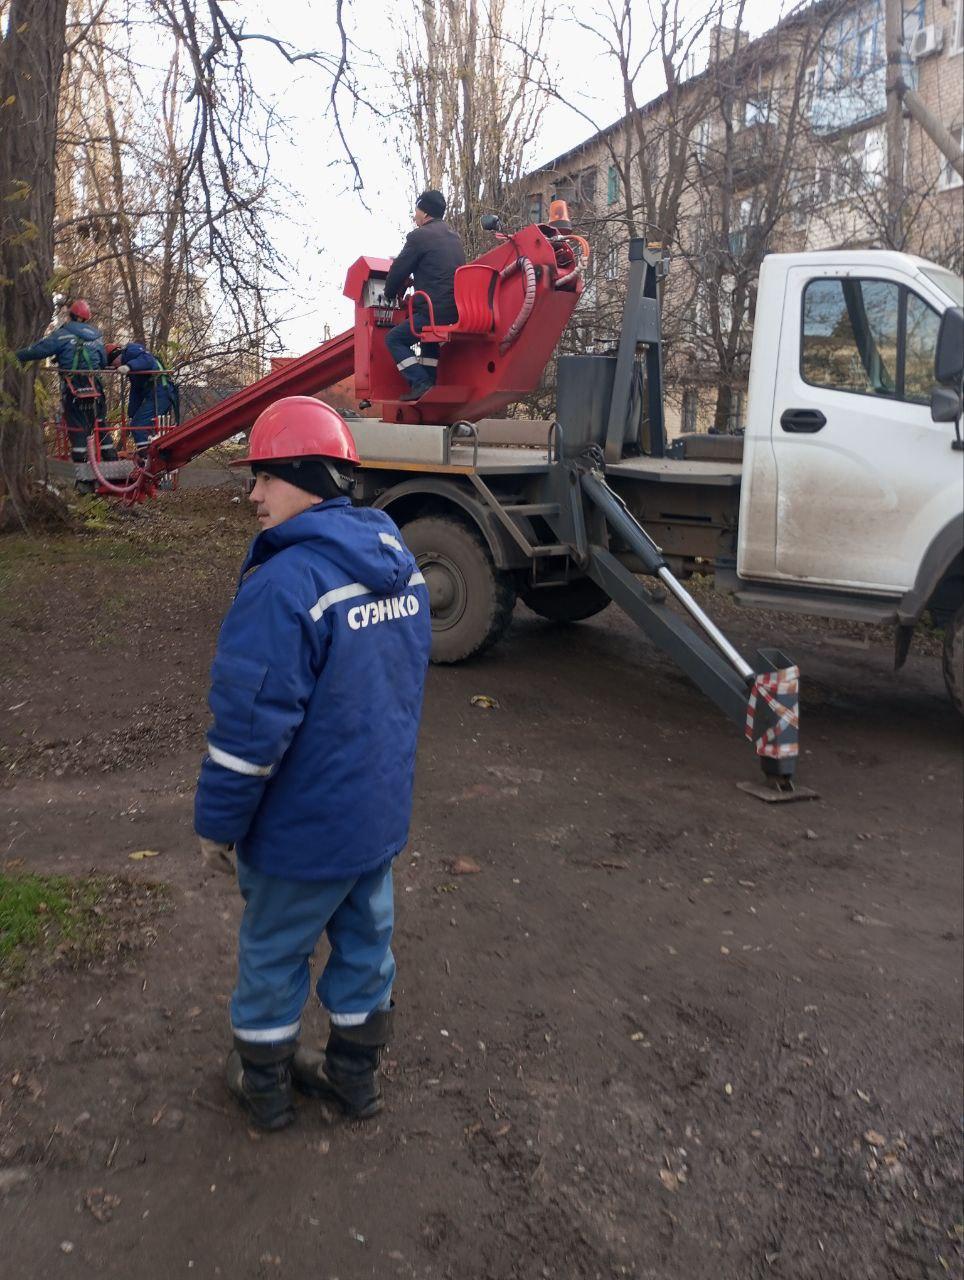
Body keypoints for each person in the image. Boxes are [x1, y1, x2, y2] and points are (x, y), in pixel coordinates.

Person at [194, 395, 432, 1132]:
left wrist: (218, 826)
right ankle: (353, 1082)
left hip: (301, 833)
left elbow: (248, 732)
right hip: (374, 823)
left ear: (310, 478)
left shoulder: (284, 586)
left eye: (267, 477)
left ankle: (263, 1089)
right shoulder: (403, 571)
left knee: (273, 954)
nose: (253, 494)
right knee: (366, 949)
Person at [383, 190, 465, 402]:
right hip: (455, 311)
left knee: (394, 339)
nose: (414, 215)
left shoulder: (418, 236)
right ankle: (429, 389)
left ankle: (420, 383)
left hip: (432, 311)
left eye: (417, 210)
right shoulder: (454, 237)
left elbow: (398, 271)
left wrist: (389, 293)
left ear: (426, 213)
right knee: (428, 340)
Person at [16, 299, 114, 467]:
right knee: (100, 422)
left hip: (73, 386)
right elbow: (103, 361)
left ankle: (83, 473)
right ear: (87, 318)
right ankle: (111, 459)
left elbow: (40, 350)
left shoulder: (62, 334)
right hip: (95, 385)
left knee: (77, 426)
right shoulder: (97, 336)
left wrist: (15, 356)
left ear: (71, 315)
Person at [106, 341, 180, 456]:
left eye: (113, 364)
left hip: (161, 392)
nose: (115, 368)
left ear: (115, 357)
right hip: (157, 393)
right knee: (141, 424)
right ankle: (149, 454)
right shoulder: (133, 372)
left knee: (139, 425)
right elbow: (136, 393)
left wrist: (129, 366)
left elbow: (148, 360)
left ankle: (147, 457)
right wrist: (132, 414)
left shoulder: (131, 350)